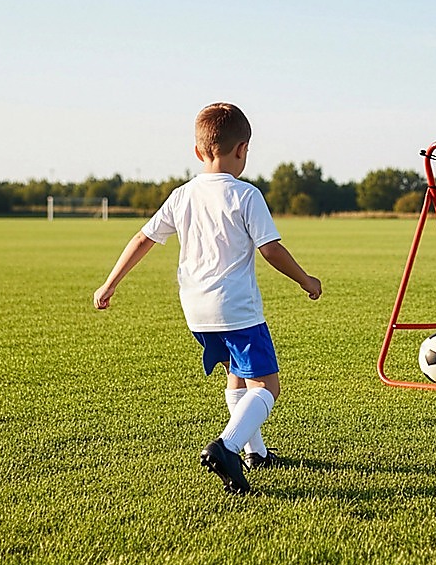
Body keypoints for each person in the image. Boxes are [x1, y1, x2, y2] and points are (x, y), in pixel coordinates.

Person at [93, 102, 322, 495]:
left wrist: (110, 283)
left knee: (238, 374)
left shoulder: (182, 195)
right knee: (267, 387)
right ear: (242, 149)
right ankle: (228, 446)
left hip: (196, 310)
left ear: (198, 151)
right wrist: (305, 279)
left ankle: (257, 454)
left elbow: (143, 238)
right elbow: (270, 250)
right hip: (235, 308)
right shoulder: (246, 195)